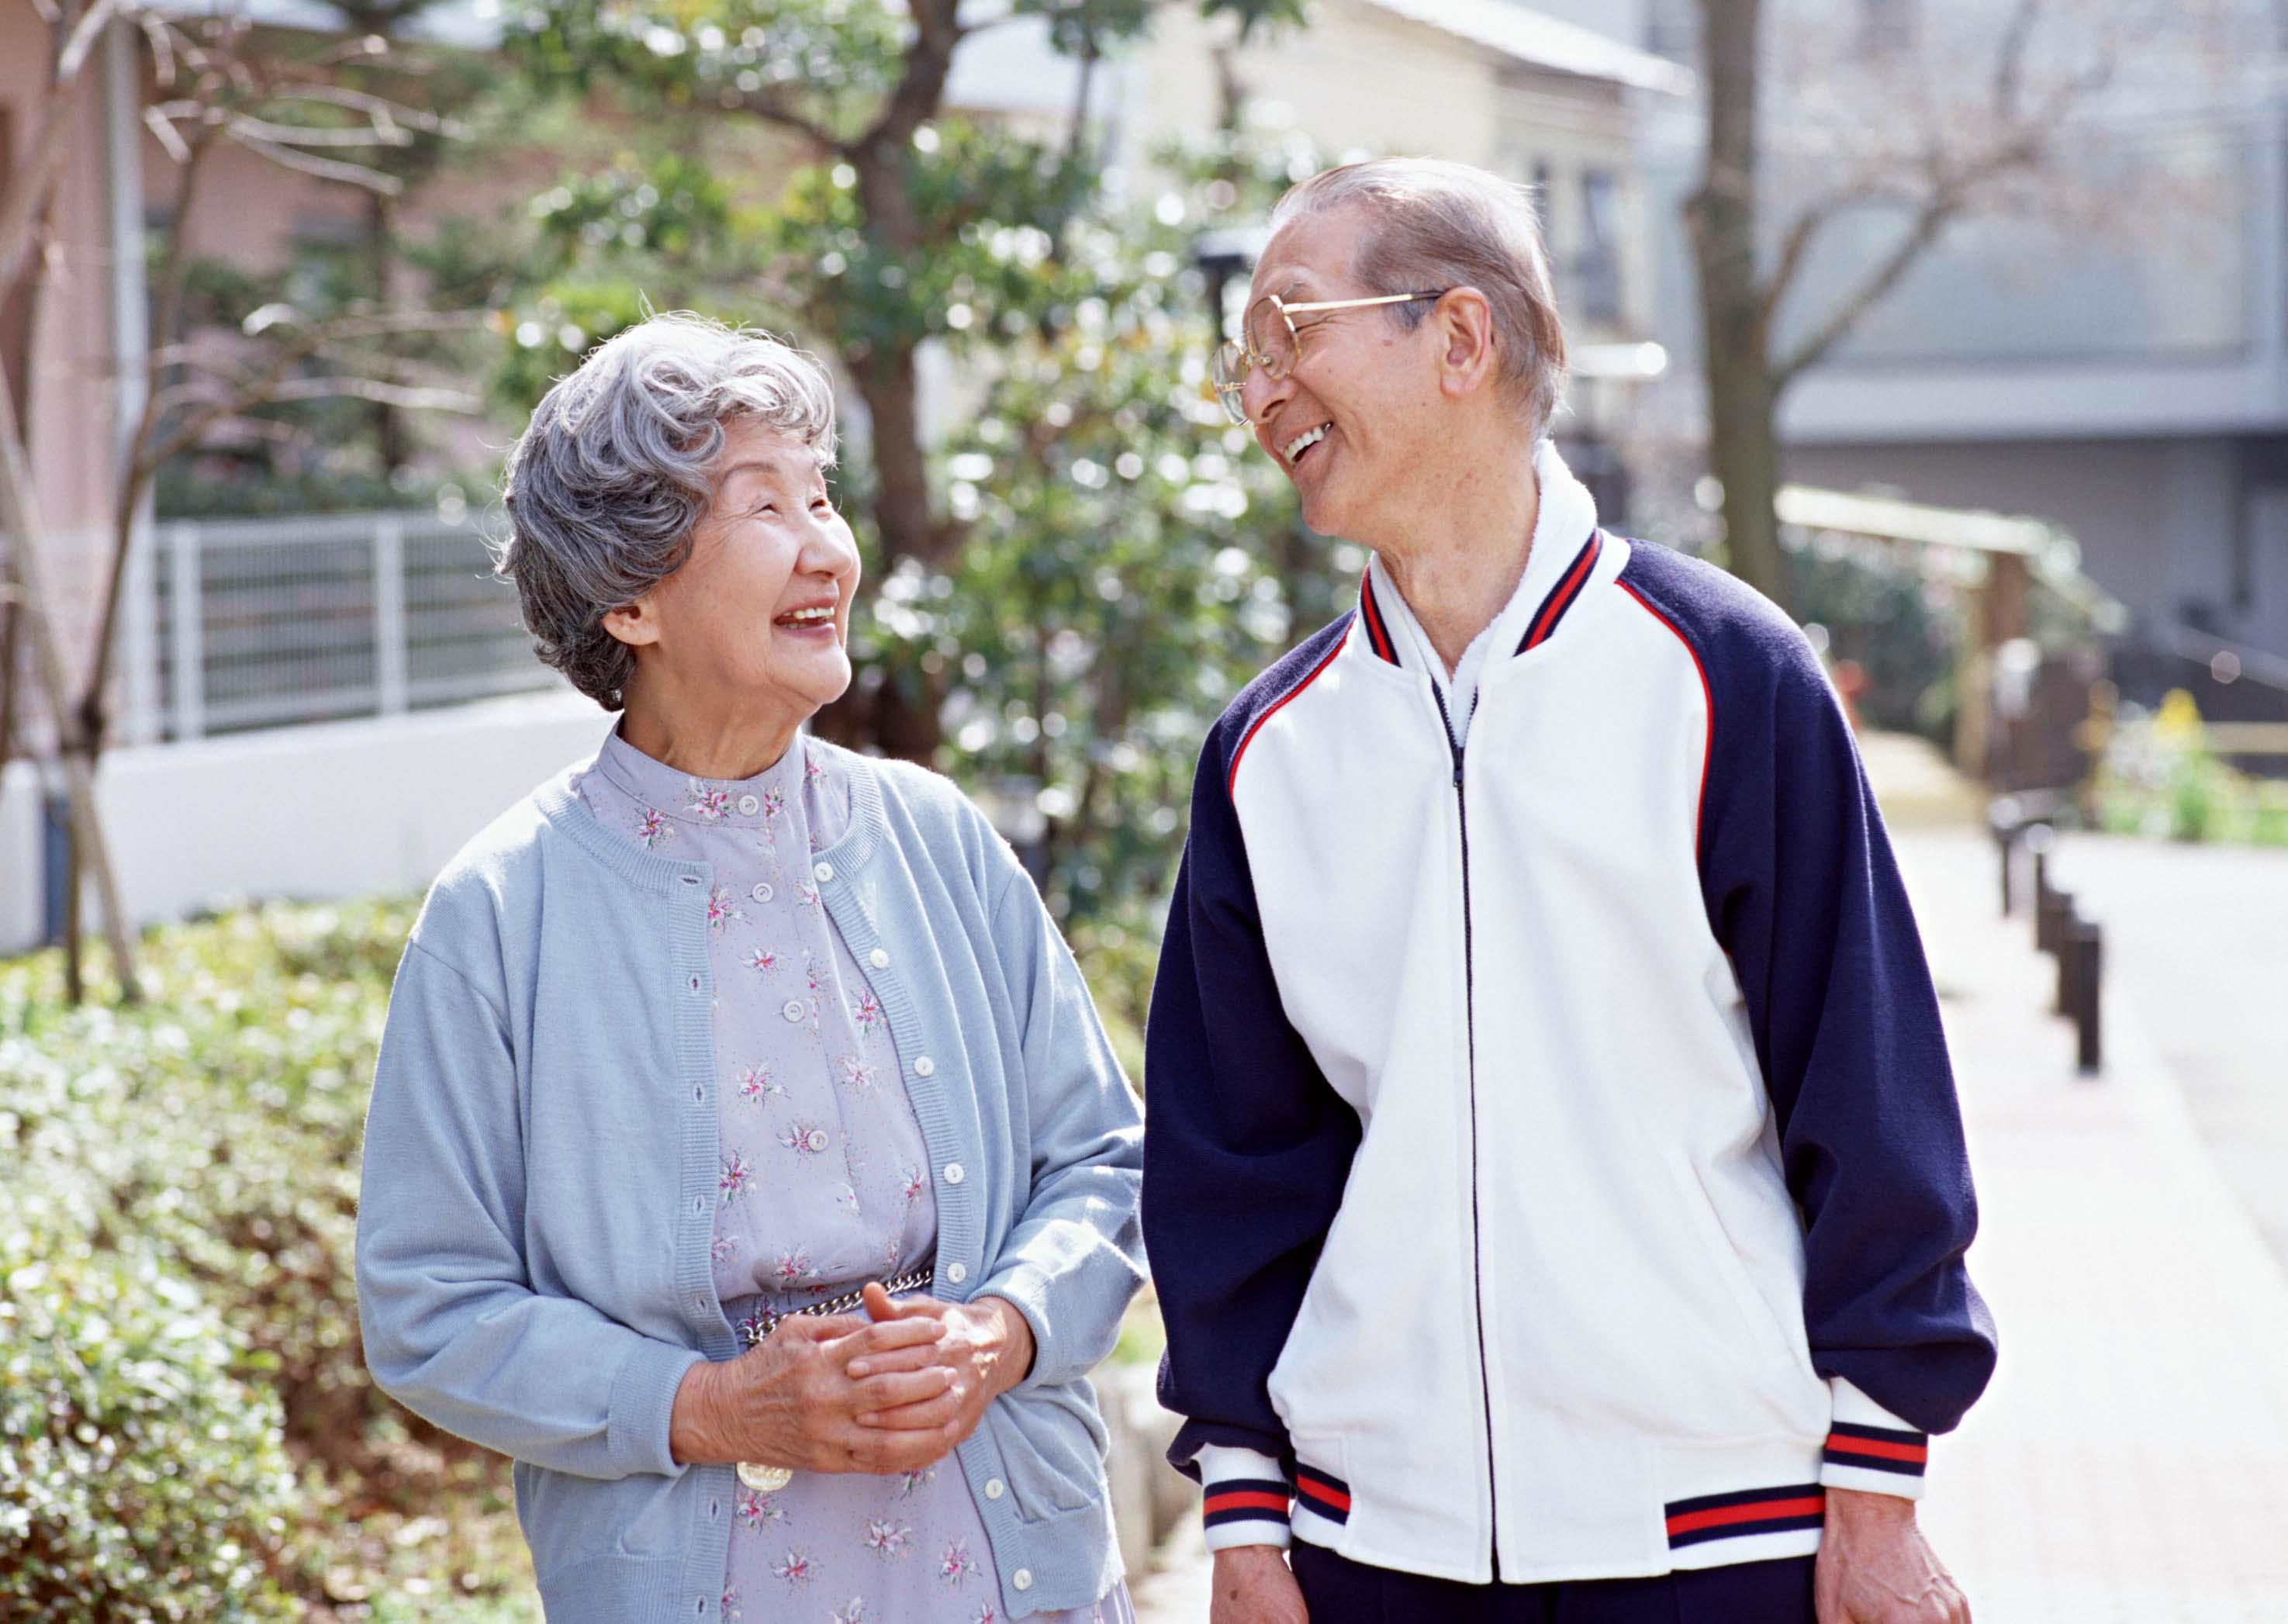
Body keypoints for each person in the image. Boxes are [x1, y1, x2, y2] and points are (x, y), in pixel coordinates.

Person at [1142, 158, 1997, 1624]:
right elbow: (1233, 1160)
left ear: (1460, 338)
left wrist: (1877, 1479)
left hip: (1715, 1530)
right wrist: (1243, 1512)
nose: (1260, 390)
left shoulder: (1728, 676)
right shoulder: (1268, 753)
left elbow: (1864, 1089)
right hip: (1373, 1542)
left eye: (1293, 331)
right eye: (1246, 359)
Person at [355, 313, 1144, 1624]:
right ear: (630, 595)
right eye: (761, 503)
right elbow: (428, 1305)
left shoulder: (935, 837)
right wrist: (714, 1405)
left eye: (821, 494)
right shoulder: (503, 911)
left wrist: (996, 1333)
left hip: (1017, 1566)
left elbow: (1102, 1161)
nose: (824, 544)